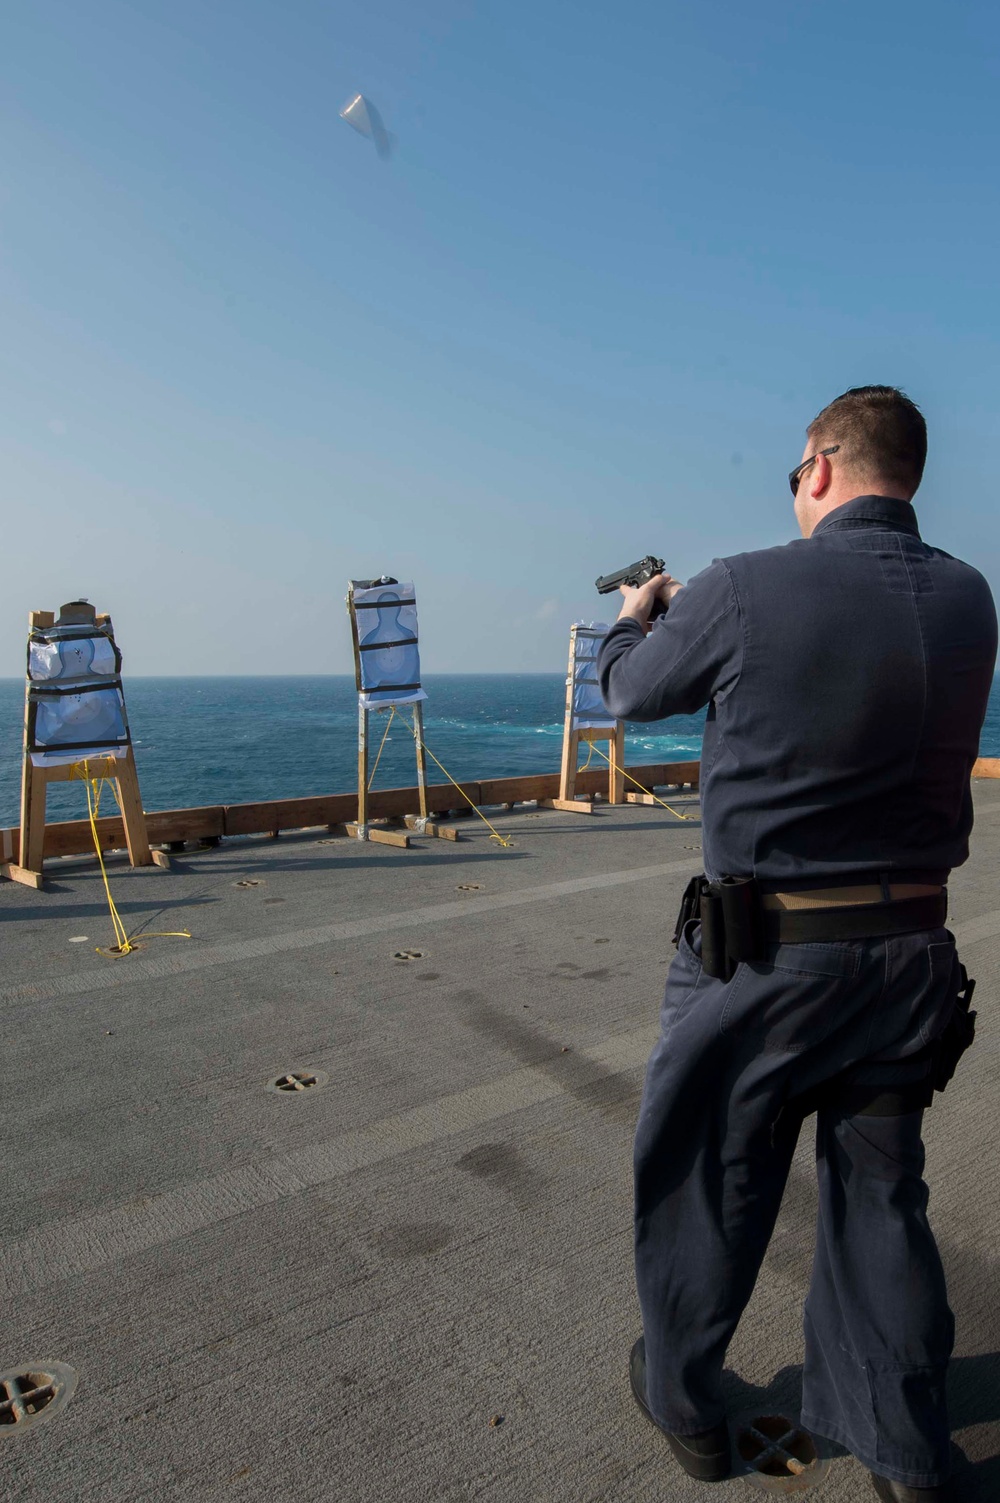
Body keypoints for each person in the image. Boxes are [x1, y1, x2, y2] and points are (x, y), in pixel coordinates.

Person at [597, 386, 997, 1502]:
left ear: (819, 466)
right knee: (880, 1199)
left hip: (765, 965)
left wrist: (643, 612)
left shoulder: (740, 584)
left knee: (710, 1180)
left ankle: (683, 1399)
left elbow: (629, 695)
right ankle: (909, 1456)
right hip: (911, 956)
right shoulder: (972, 597)